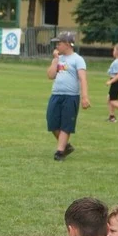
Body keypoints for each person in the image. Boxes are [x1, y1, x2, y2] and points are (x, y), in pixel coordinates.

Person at [46, 31, 89, 161]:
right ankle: (66, 146)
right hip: (56, 95)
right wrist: (55, 60)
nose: (57, 46)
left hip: (70, 97)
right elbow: (50, 75)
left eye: (59, 43)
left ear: (67, 44)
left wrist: (85, 97)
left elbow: (83, 78)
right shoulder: (59, 58)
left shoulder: (78, 59)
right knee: (52, 123)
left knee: (66, 124)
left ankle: (60, 152)